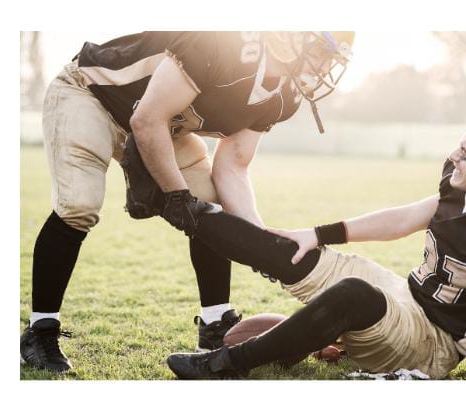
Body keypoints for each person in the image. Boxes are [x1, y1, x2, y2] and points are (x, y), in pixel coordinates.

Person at [21, 31, 354, 372]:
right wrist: (178, 197)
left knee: (209, 208)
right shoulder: (222, 43)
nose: (323, 68)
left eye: (332, 61)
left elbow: (233, 167)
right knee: (79, 204)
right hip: (92, 95)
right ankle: (40, 330)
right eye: (321, 53)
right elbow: (147, 119)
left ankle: (215, 325)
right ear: (290, 36)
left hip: (160, 125)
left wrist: (261, 243)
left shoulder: (283, 96)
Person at [164, 116, 466, 380]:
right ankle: (169, 201)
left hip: (434, 343)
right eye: (459, 146)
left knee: (355, 296)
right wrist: (319, 233)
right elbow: (404, 218)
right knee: (294, 248)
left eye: (465, 154)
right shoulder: (463, 180)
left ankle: (226, 365)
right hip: (407, 296)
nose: (453, 156)